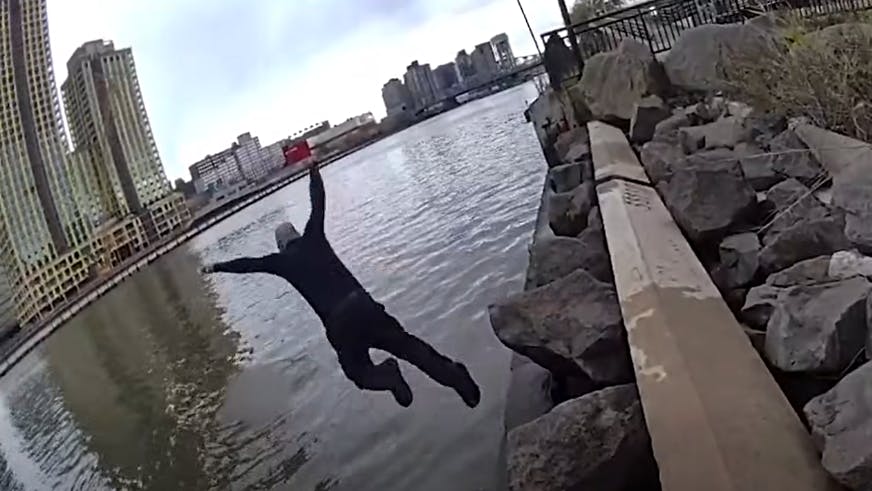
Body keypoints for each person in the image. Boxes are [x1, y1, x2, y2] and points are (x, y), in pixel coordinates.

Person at [200, 164, 480, 408]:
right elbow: (318, 201)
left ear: (280, 246)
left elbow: (247, 264)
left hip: (340, 325)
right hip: (364, 306)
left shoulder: (281, 262)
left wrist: (215, 267)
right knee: (409, 347)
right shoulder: (314, 236)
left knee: (358, 372)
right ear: (296, 234)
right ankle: (455, 376)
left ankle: (387, 377)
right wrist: (313, 171)